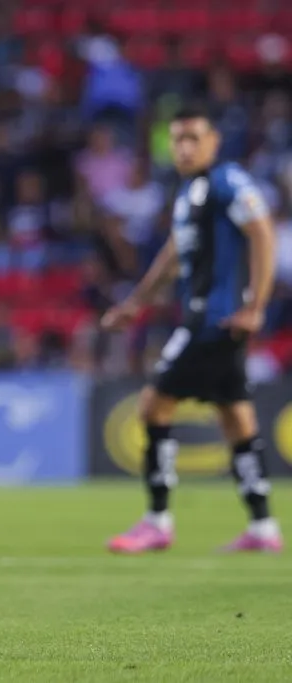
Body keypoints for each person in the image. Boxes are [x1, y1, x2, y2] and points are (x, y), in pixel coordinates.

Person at [101, 104, 283, 554]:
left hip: (214, 322)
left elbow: (263, 232)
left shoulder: (227, 181)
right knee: (235, 417)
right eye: (177, 139)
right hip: (212, 322)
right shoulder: (190, 191)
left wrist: (257, 306)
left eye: (192, 138)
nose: (183, 147)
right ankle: (263, 528)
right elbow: (173, 254)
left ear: (213, 141)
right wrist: (136, 303)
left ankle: (157, 521)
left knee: (152, 407)